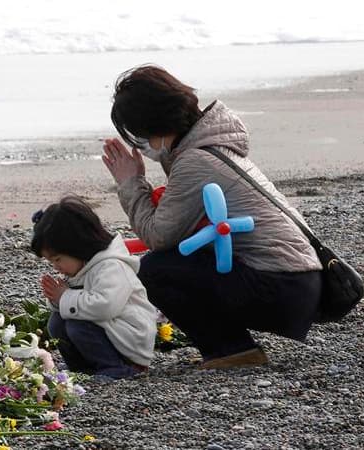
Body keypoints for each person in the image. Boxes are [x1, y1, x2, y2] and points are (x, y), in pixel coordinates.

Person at [101, 64, 322, 369]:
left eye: (139, 136)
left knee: (153, 268)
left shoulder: (195, 161)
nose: (141, 145)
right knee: (172, 263)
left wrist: (130, 183)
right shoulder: (210, 146)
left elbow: (157, 236)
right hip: (299, 283)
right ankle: (232, 347)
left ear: (155, 125)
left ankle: (231, 350)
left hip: (281, 288)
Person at [31, 195, 157, 380]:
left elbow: (104, 307)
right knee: (56, 322)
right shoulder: (82, 266)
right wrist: (57, 299)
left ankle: (117, 368)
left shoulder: (112, 266)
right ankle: (82, 368)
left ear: (78, 247)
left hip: (130, 342)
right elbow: (76, 303)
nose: (56, 267)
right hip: (111, 331)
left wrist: (64, 297)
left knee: (77, 326)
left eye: (58, 259)